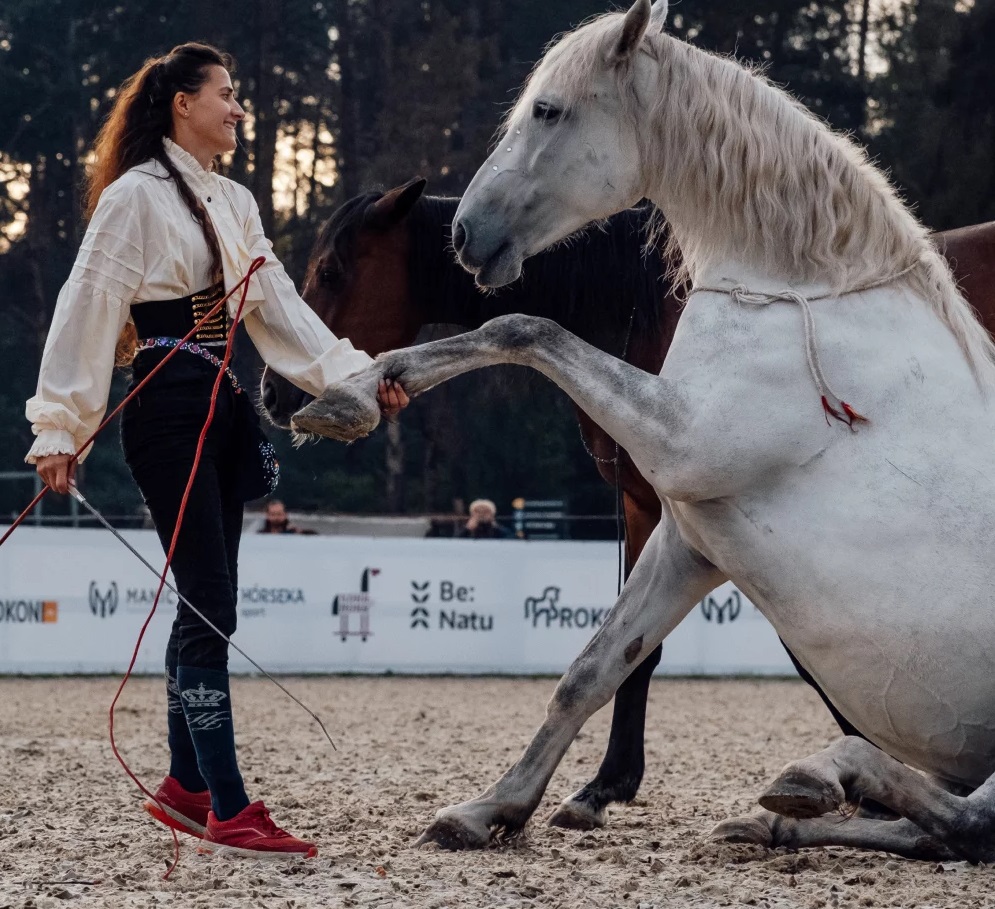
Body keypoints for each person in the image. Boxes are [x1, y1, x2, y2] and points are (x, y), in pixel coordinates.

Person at [25, 43, 408, 858]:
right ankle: (229, 804)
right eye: (225, 95)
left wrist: (359, 378)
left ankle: (186, 787)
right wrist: (60, 428)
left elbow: (278, 314)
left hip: (220, 408)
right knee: (211, 605)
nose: (238, 108)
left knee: (204, 601)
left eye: (239, 96)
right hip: (164, 410)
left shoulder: (233, 200)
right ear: (181, 104)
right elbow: (88, 306)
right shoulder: (134, 198)